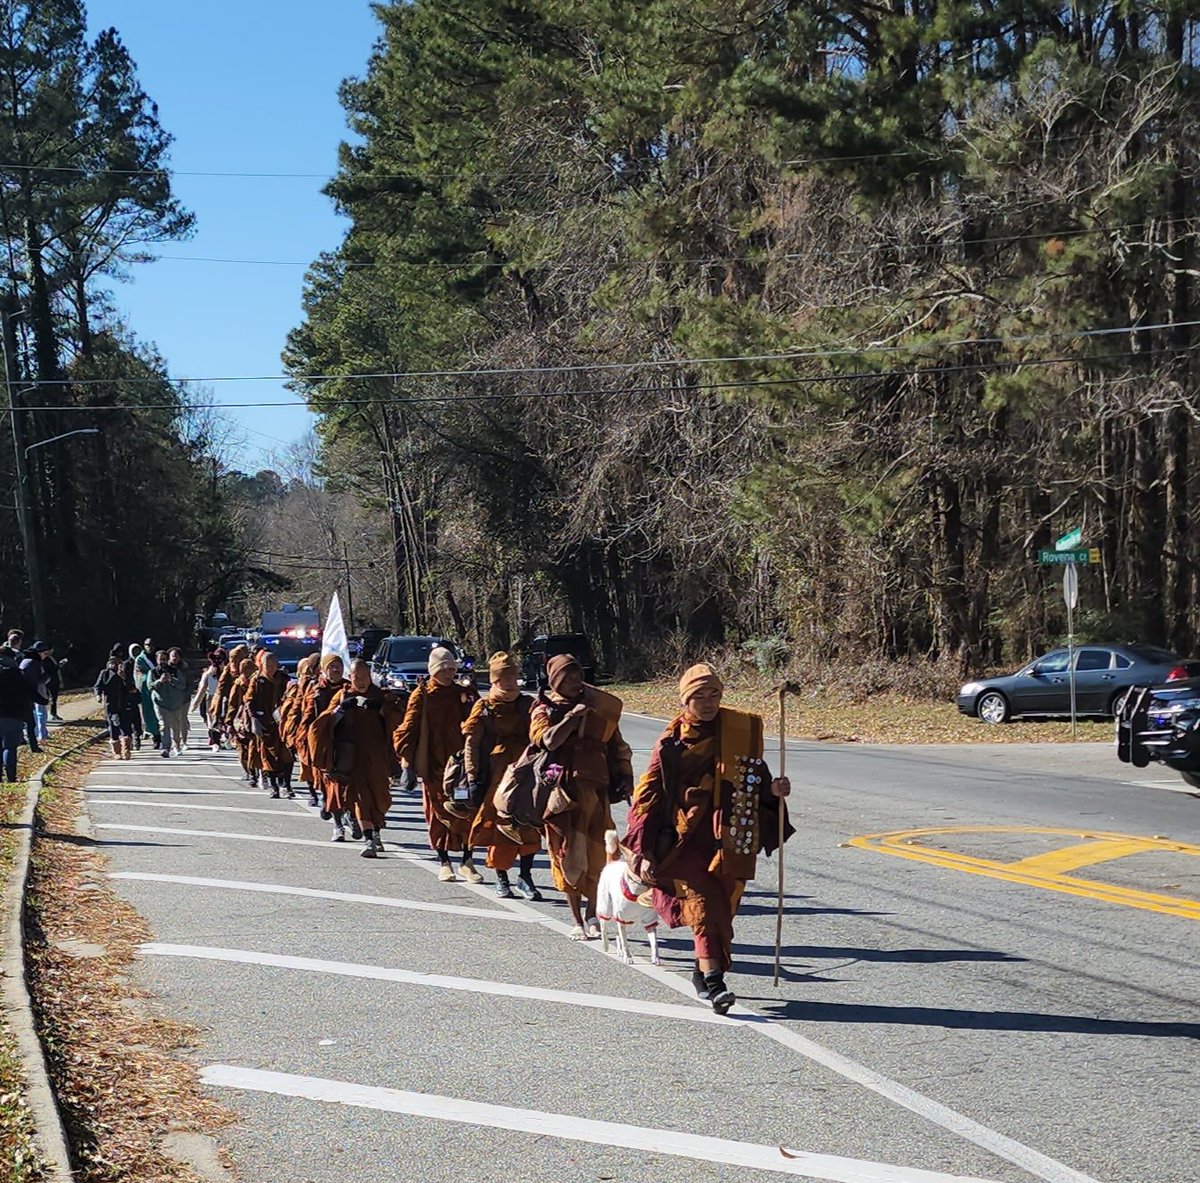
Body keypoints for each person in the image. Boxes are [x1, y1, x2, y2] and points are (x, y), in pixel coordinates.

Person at [622, 663, 792, 1013]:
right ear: (686, 700)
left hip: (730, 837)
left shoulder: (739, 731)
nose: (709, 702)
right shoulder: (671, 742)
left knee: (723, 907)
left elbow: (754, 777)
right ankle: (716, 983)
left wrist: (774, 791)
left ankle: (703, 973)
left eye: (714, 694)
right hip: (687, 841)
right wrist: (644, 850)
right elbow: (647, 796)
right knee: (705, 906)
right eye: (699, 696)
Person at [529, 653, 633, 940]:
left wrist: (625, 775)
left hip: (596, 792)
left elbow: (617, 744)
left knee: (599, 854)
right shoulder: (543, 709)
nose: (576, 682)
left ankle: (592, 914)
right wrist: (572, 717)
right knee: (566, 856)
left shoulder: (597, 707)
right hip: (561, 796)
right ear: (556, 681)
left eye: (578, 676)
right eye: (569, 678)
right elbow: (546, 740)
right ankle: (576, 919)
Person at [393, 646, 480, 882]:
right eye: (443, 669)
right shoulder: (422, 695)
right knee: (438, 814)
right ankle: (444, 861)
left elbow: (480, 720)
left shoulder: (465, 693)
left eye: (452, 669)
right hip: (434, 766)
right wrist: (406, 764)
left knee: (466, 811)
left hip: (461, 766)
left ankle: (467, 860)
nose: (448, 674)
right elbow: (407, 730)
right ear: (433, 671)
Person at [464, 651, 541, 900]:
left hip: (528, 775)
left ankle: (526, 877)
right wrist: (473, 776)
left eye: (513, 676)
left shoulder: (529, 705)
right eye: (504, 678)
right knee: (500, 829)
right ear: (494, 680)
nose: (509, 682)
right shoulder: (484, 706)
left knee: (529, 825)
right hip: (496, 777)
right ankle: (501, 877)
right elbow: (471, 744)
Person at [312, 659, 402, 857]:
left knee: (380, 797)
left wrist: (381, 710)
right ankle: (369, 838)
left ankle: (377, 831)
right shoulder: (344, 695)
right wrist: (341, 710)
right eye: (356, 677)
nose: (360, 682)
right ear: (350, 677)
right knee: (360, 798)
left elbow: (399, 720)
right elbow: (322, 724)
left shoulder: (381, 696)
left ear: (370, 676)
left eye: (364, 677)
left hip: (378, 756)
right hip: (353, 756)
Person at [304, 654, 353, 839]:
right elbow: (309, 719)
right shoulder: (317, 691)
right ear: (324, 670)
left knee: (349, 784)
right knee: (330, 786)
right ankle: (338, 825)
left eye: (339, 666)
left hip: (348, 742)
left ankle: (351, 815)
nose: (336, 670)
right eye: (332, 667)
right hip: (327, 744)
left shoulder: (350, 688)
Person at [246, 650, 291, 797]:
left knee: (286, 755)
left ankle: (286, 785)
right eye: (267, 665)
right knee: (268, 756)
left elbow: (292, 696)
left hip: (282, 723)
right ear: (261, 665)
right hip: (265, 722)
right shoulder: (257, 680)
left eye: (273, 664)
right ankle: (273, 786)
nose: (270, 668)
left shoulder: (283, 679)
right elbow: (249, 700)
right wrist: (254, 719)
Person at [0, 658, 42, 781]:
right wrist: (43, 700)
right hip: (14, 714)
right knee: (10, 747)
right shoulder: (18, 676)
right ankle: (11, 777)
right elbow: (31, 692)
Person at [94, 656, 135, 759]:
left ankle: (126, 750)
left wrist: (124, 677)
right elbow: (98, 686)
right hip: (111, 705)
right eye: (112, 663)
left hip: (124, 704)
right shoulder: (105, 674)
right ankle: (116, 751)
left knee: (126, 726)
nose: (114, 666)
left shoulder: (125, 673)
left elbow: (132, 688)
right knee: (113, 726)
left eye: (116, 663)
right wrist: (98, 695)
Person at [151, 649, 189, 758]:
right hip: (160, 703)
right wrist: (160, 681)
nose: (162, 661)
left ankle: (176, 746)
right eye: (160, 659)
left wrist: (172, 679)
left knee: (175, 725)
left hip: (175, 703)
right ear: (156, 660)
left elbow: (182, 685)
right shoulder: (153, 672)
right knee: (163, 725)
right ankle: (165, 748)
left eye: (164, 659)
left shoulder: (175, 671)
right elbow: (150, 686)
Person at [226, 656, 258, 784]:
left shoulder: (257, 682)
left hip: (254, 718)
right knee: (242, 748)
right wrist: (229, 722)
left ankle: (255, 772)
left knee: (254, 748)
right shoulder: (238, 684)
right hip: (241, 720)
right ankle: (249, 772)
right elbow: (232, 704)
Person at [20, 641, 52, 745]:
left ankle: (38, 735)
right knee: (39, 715)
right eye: (45, 654)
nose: (45, 656)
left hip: (29, 693)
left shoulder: (26, 661)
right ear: (39, 652)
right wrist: (49, 675)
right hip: (36, 693)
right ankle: (41, 736)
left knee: (34, 716)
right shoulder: (34, 663)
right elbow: (39, 681)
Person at [131, 643, 162, 750]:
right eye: (147, 645)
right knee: (149, 712)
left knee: (162, 712)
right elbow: (138, 674)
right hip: (146, 689)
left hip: (162, 688)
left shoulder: (160, 656)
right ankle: (156, 737)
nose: (150, 647)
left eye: (151, 645)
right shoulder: (140, 659)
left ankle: (164, 734)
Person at [191, 650, 223, 752]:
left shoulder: (227, 672)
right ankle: (215, 739)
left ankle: (217, 740)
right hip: (211, 698)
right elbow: (202, 689)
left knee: (216, 720)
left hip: (222, 699)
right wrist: (195, 703)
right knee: (211, 719)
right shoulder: (209, 673)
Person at [119, 658, 143, 749]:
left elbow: (135, 689)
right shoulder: (117, 679)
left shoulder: (132, 678)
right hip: (123, 704)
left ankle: (137, 740)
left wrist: (134, 690)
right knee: (126, 724)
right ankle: (128, 743)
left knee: (136, 723)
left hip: (133, 702)